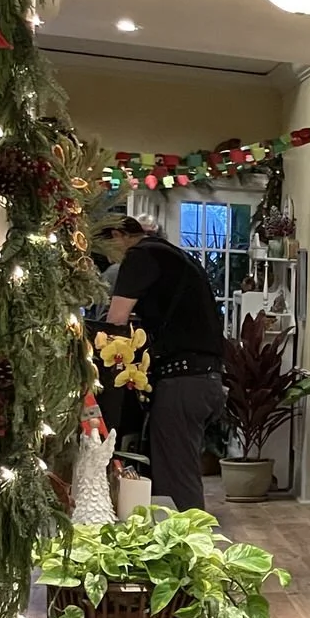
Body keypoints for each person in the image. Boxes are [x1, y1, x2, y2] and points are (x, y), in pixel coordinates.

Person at [99, 214, 226, 512]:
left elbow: (114, 321)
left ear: (118, 235)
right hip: (206, 379)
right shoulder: (172, 256)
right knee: (180, 469)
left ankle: (191, 550)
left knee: (175, 481)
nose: (105, 258)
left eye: (102, 245)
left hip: (183, 381)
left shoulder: (140, 256)